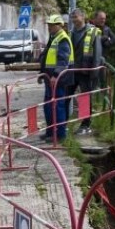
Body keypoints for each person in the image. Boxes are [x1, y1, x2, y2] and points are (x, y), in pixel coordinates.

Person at [39, 14, 75, 142]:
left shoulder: (63, 39)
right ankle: (50, 132)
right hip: (50, 78)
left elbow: (63, 60)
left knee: (57, 106)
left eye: (51, 25)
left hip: (58, 79)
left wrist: (55, 75)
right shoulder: (54, 37)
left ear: (59, 25)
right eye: (48, 25)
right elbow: (46, 58)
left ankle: (59, 135)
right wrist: (42, 73)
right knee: (48, 106)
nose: (49, 27)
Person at [68, 8, 102, 134]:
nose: (74, 20)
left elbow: (97, 53)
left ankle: (85, 125)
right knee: (66, 97)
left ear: (83, 17)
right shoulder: (71, 33)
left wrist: (94, 71)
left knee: (84, 98)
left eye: (76, 17)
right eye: (72, 18)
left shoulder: (93, 31)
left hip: (85, 71)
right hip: (72, 70)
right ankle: (63, 124)